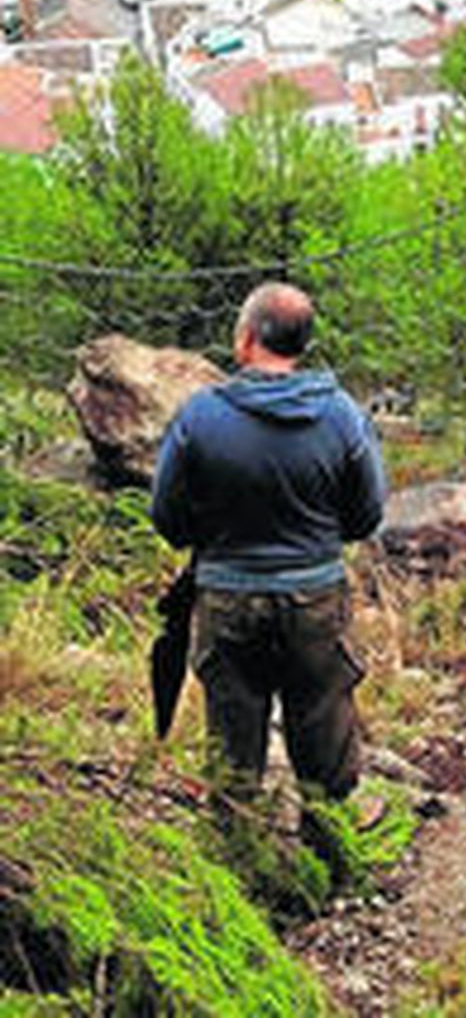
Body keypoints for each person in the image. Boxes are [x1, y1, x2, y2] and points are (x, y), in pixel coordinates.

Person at [150, 282, 386, 835]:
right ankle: (329, 856)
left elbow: (167, 519)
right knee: (324, 735)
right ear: (300, 343)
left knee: (233, 749)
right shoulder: (343, 416)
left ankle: (237, 865)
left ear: (246, 338)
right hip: (317, 600)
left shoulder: (199, 416)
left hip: (226, 597)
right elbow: (366, 516)